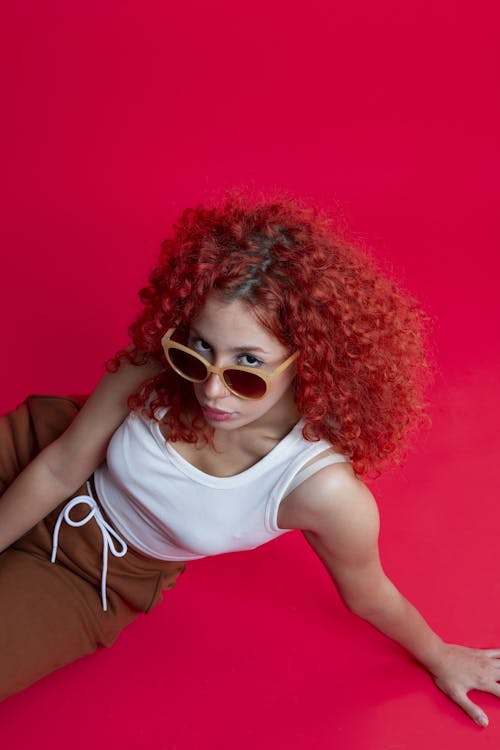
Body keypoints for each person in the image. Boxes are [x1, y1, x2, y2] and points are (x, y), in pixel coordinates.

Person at [1, 190, 499, 726]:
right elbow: (60, 465)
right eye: (199, 349)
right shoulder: (160, 364)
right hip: (41, 451)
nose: (212, 390)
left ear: (307, 358)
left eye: (246, 365)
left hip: (98, 575)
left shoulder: (321, 490)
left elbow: (370, 594)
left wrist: (441, 654)